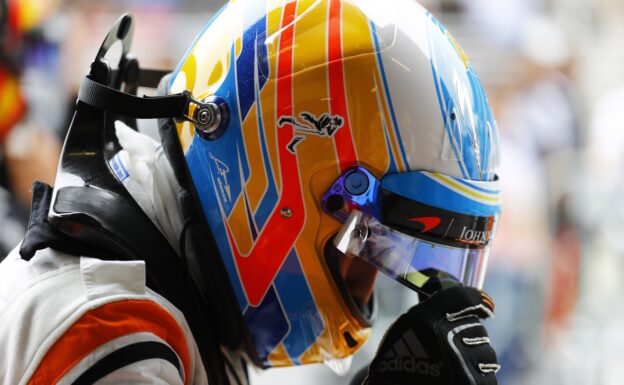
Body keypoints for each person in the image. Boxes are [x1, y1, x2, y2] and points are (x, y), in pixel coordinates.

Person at [0, 1, 501, 384]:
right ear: (277, 176)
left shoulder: (168, 282)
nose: (368, 288)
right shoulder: (112, 330)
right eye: (370, 244)